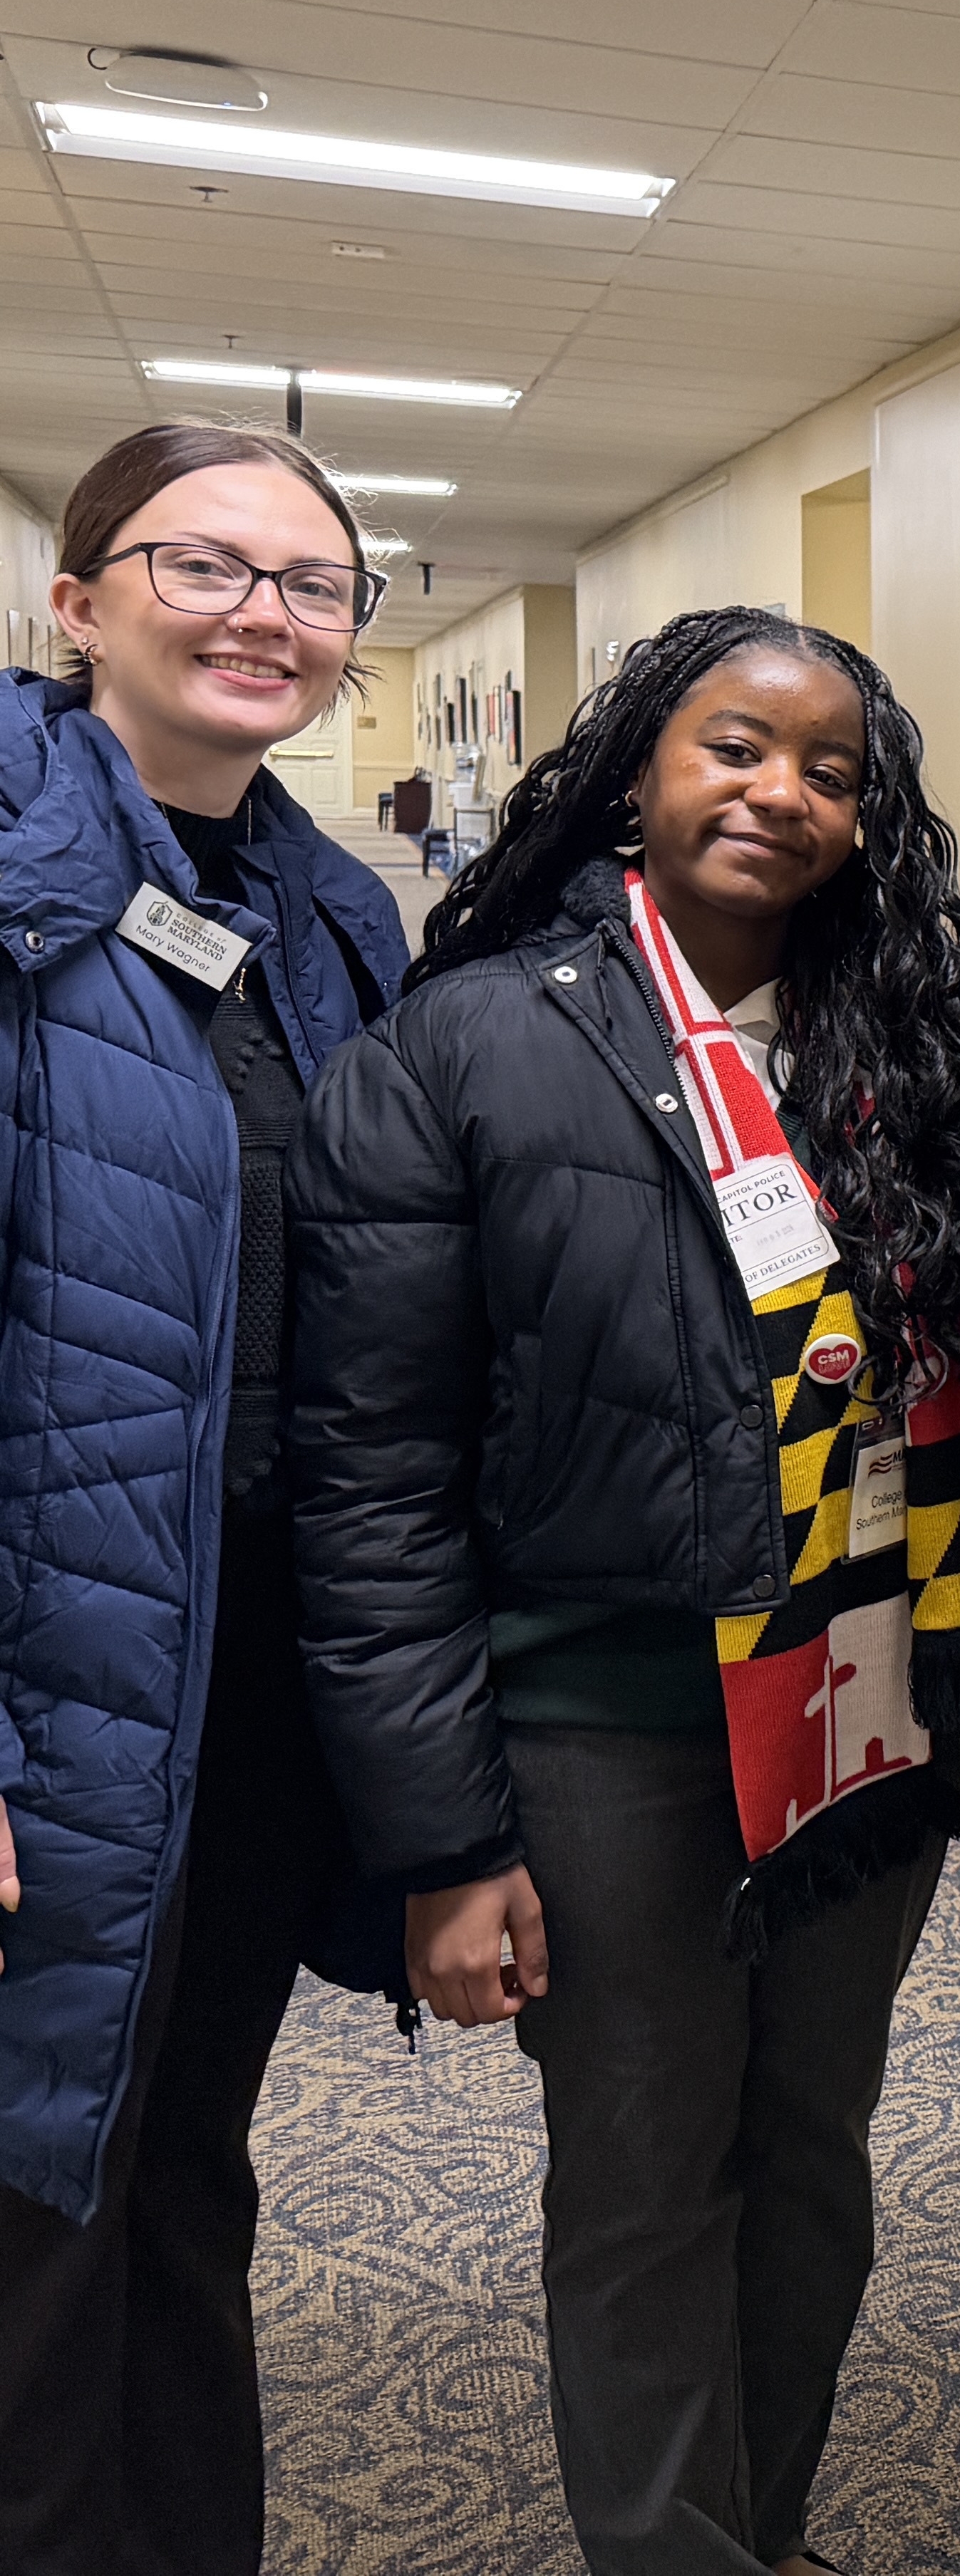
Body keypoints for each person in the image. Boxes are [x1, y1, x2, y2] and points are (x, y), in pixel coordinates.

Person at [290, 608, 960, 2576]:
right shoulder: (471, 1041)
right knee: (649, 2170)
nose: (782, 794)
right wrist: (441, 1839)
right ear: (637, 771)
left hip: (873, 1691)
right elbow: (374, 1474)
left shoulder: (942, 1037)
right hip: (612, 1713)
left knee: (811, 2149)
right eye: (736, 747)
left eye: (834, 771)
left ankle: (768, 2523)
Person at [0, 420, 411, 2576]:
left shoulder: (324, 915)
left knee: (176, 2163)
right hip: (49, 1674)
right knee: (32, 2207)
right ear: (78, 604)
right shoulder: (17, 882)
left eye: (313, 583)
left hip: (244, 1666)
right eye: (206, 565)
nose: (266, 613)